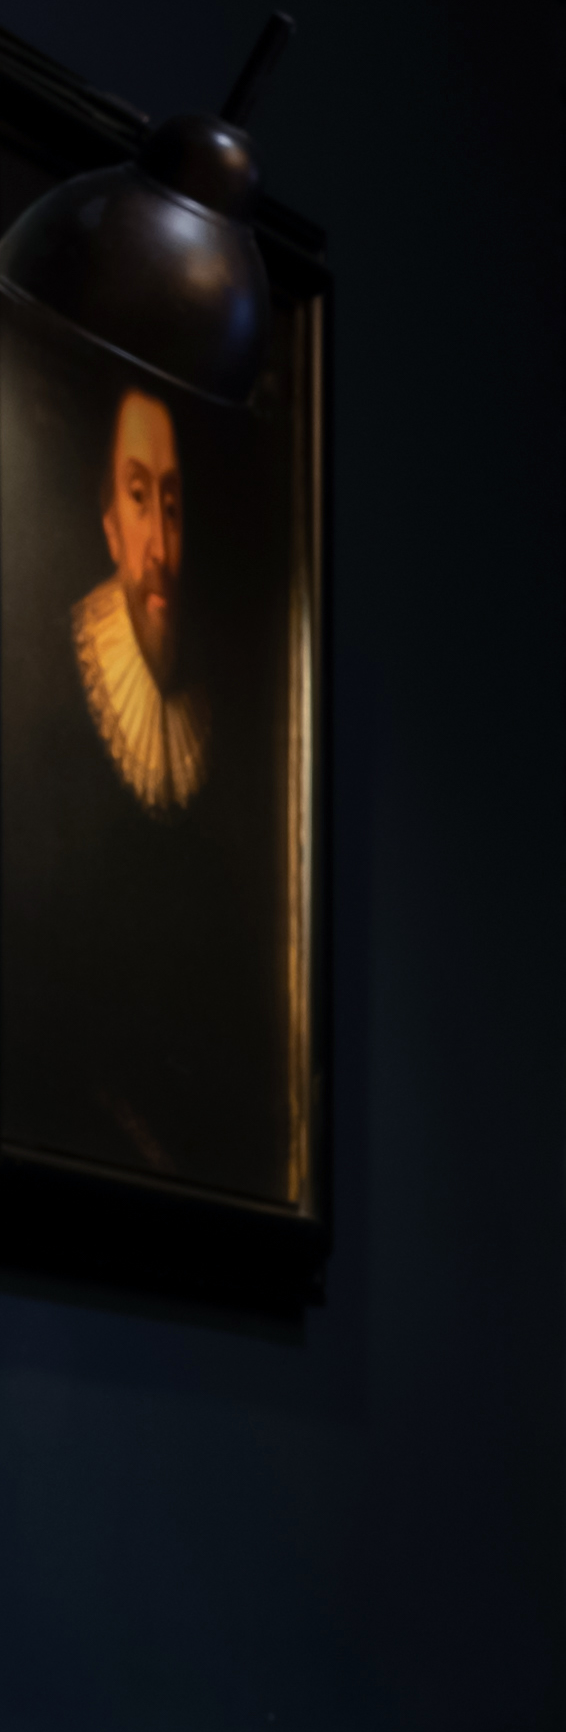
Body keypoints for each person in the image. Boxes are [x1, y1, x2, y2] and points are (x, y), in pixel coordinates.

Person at [3, 360, 296, 1202]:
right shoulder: (49, 701)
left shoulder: (225, 727)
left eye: (172, 501)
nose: (161, 545)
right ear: (106, 523)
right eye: (139, 498)